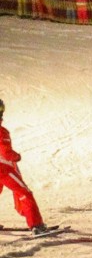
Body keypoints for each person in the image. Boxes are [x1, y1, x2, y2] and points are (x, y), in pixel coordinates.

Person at [0, 99, 51, 235]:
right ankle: (37, 225)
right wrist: (17, 156)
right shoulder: (2, 131)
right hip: (3, 169)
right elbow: (6, 153)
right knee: (24, 193)